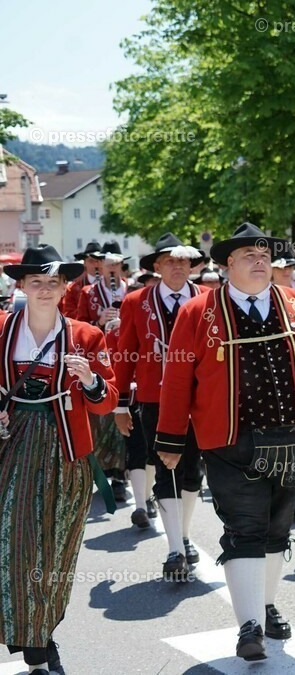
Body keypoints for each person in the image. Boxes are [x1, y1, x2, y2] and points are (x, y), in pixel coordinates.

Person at [155, 223, 295, 662]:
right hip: (230, 444)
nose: (260, 259)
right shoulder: (198, 313)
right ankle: (248, 625)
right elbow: (175, 380)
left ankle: (265, 605)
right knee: (245, 528)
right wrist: (171, 438)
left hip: (294, 437)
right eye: (248, 254)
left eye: (264, 252)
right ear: (227, 263)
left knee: (277, 530)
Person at [0, 245, 118, 675]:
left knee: (54, 552)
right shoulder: (0, 330)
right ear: (22, 287)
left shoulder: (88, 336)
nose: (45, 290)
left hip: (66, 454)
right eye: (36, 283)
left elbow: (108, 401)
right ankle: (34, 647)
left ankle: (43, 633)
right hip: (10, 450)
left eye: (53, 283)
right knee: (17, 544)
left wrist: (89, 380)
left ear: (66, 287)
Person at [113, 233, 209, 580]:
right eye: (170, 261)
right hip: (154, 398)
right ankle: (174, 548)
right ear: (157, 266)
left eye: (184, 261)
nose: (178, 267)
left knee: (192, 469)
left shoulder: (209, 299)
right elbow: (123, 355)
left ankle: (183, 534)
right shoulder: (136, 301)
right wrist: (120, 404)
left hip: (200, 399)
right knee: (163, 465)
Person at [77, 241, 131, 505]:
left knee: (124, 413)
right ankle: (106, 471)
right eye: (107, 265)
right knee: (102, 418)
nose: (111, 270)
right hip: (100, 359)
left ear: (121, 266)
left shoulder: (133, 291)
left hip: (126, 357)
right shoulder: (88, 292)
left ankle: (122, 475)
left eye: (115, 265)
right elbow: (76, 326)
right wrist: (98, 321)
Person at [58, 239, 103, 317]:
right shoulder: (73, 289)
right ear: (85, 263)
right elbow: (68, 314)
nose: (96, 265)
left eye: (99, 261)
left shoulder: (114, 284)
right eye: (91, 261)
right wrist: (86, 309)